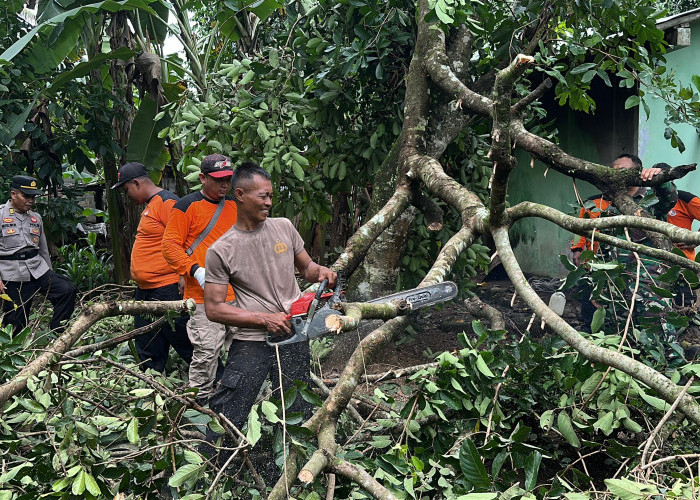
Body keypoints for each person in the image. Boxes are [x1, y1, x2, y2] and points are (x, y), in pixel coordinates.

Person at [203, 161, 336, 467]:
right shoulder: (222, 250)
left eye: (271, 196)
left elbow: (307, 268)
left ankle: (292, 465)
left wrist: (323, 273)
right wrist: (264, 319)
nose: (268, 202)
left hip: (293, 333)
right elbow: (214, 308)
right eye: (262, 196)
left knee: (297, 401)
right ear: (240, 194)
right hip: (252, 340)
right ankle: (212, 469)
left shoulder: (283, 228)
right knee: (231, 408)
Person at [569, 155, 677, 331]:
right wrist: (600, 287)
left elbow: (670, 196)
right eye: (614, 170)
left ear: (638, 173)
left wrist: (661, 175)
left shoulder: (653, 199)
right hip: (617, 284)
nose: (617, 174)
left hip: (649, 282)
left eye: (623, 171)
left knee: (656, 331)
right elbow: (604, 249)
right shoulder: (610, 205)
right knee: (618, 329)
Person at [162, 154, 237, 403]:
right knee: (206, 353)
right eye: (218, 180)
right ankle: (198, 404)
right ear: (203, 178)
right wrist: (194, 270)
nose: (224, 185)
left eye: (227, 180)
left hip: (237, 294)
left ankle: (242, 398)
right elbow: (170, 246)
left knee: (243, 349)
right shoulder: (186, 206)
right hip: (202, 296)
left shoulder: (236, 205)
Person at [111, 162, 193, 372]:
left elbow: (186, 241)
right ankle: (151, 386)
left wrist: (184, 276)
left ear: (136, 183)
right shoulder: (152, 205)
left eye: (126, 189)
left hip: (167, 288)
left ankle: (216, 380)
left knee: (185, 340)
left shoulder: (167, 203)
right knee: (146, 341)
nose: (126, 195)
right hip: (146, 290)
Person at [0, 175, 77, 333]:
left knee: (66, 289)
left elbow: (43, 249)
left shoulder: (36, 218)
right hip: (11, 274)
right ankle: (14, 354)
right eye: (26, 196)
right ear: (13, 194)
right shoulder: (0, 215)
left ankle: (57, 333)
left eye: (33, 197)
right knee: (15, 324)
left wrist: (49, 273)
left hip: (37, 269)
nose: (31, 200)